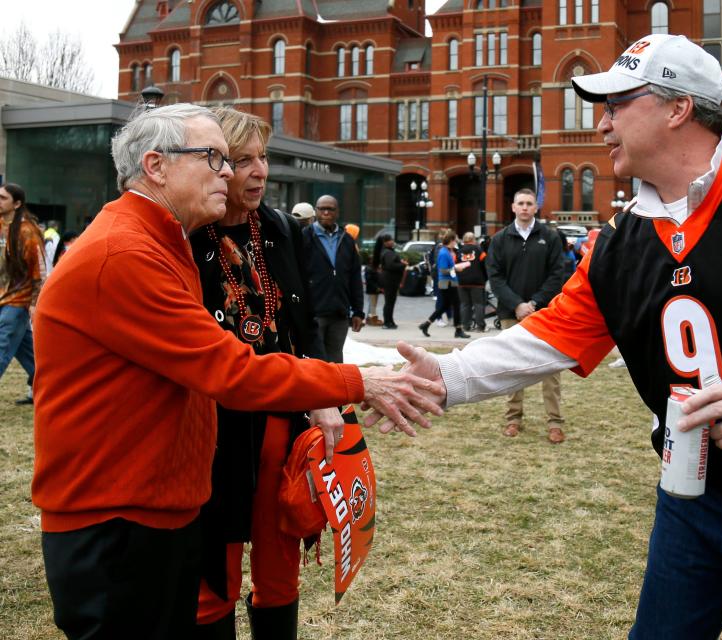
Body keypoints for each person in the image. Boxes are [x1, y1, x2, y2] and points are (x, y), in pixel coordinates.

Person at [375, 34, 722, 639]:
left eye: (618, 103)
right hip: (688, 497)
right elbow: (553, 334)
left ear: (678, 108)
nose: (602, 121)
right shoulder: (621, 236)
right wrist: (450, 375)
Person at [31, 103, 442, 640]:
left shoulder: (166, 237)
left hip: (158, 507)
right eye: (216, 158)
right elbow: (229, 370)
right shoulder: (126, 253)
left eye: (243, 159)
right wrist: (358, 381)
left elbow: (277, 332)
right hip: (119, 519)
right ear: (156, 165)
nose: (233, 173)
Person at [188, 107, 337, 638]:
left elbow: (308, 329)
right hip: (214, 433)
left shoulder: (283, 231)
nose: (259, 172)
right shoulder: (185, 237)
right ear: (215, 166)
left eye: (263, 158)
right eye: (243, 160)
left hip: (281, 424)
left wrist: (323, 393)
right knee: (214, 575)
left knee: (279, 568)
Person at [486, 188, 566, 444]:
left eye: (529, 203)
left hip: (545, 313)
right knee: (513, 368)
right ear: (513, 207)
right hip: (511, 313)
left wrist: (534, 302)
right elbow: (495, 278)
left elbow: (558, 274)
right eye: (520, 203)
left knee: (551, 370)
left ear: (535, 207)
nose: (524, 207)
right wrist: (517, 304)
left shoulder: (550, 237)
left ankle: (555, 423)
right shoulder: (500, 239)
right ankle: (513, 419)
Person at [302, 194, 365, 363]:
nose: (326, 212)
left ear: (337, 212)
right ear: (316, 211)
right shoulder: (305, 237)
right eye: (322, 209)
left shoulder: (347, 241)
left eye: (330, 209)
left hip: (340, 313)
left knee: (336, 359)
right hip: (314, 312)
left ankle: (336, 389)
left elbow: (355, 277)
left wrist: (358, 311)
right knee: (315, 360)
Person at [0, 183, 45, 407]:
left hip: (18, 302)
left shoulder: (27, 232)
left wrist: (35, 302)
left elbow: (40, 272)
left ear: (16, 204)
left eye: (2, 198)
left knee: (2, 346)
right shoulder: (1, 226)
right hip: (4, 297)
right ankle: (45, 384)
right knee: (26, 351)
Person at [418, 230, 470, 339]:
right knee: (455, 305)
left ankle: (426, 324)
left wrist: (456, 269)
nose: (455, 242)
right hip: (448, 282)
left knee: (444, 306)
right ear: (451, 240)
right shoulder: (443, 252)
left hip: (448, 282)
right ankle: (458, 330)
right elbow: (442, 270)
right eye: (454, 240)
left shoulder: (445, 251)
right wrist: (456, 268)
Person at [457, 231, 487, 333]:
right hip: (477, 281)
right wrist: (485, 278)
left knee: (465, 304)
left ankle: (465, 326)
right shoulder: (479, 251)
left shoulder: (459, 251)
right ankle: (480, 326)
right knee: (478, 304)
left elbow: (455, 266)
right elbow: (485, 265)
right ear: (473, 240)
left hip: (462, 281)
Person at [378, 233, 406, 330]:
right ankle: (387, 322)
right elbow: (391, 265)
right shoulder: (388, 252)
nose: (392, 241)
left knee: (391, 301)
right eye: (390, 240)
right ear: (385, 242)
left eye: (392, 240)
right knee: (389, 302)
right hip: (389, 280)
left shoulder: (387, 251)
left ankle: (390, 321)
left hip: (390, 280)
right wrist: (402, 265)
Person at [366, 234, 385, 326]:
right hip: (372, 289)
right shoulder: (370, 269)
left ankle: (370, 318)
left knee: (372, 304)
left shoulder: (372, 268)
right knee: (372, 304)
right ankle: (372, 319)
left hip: (374, 289)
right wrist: (378, 288)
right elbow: (370, 280)